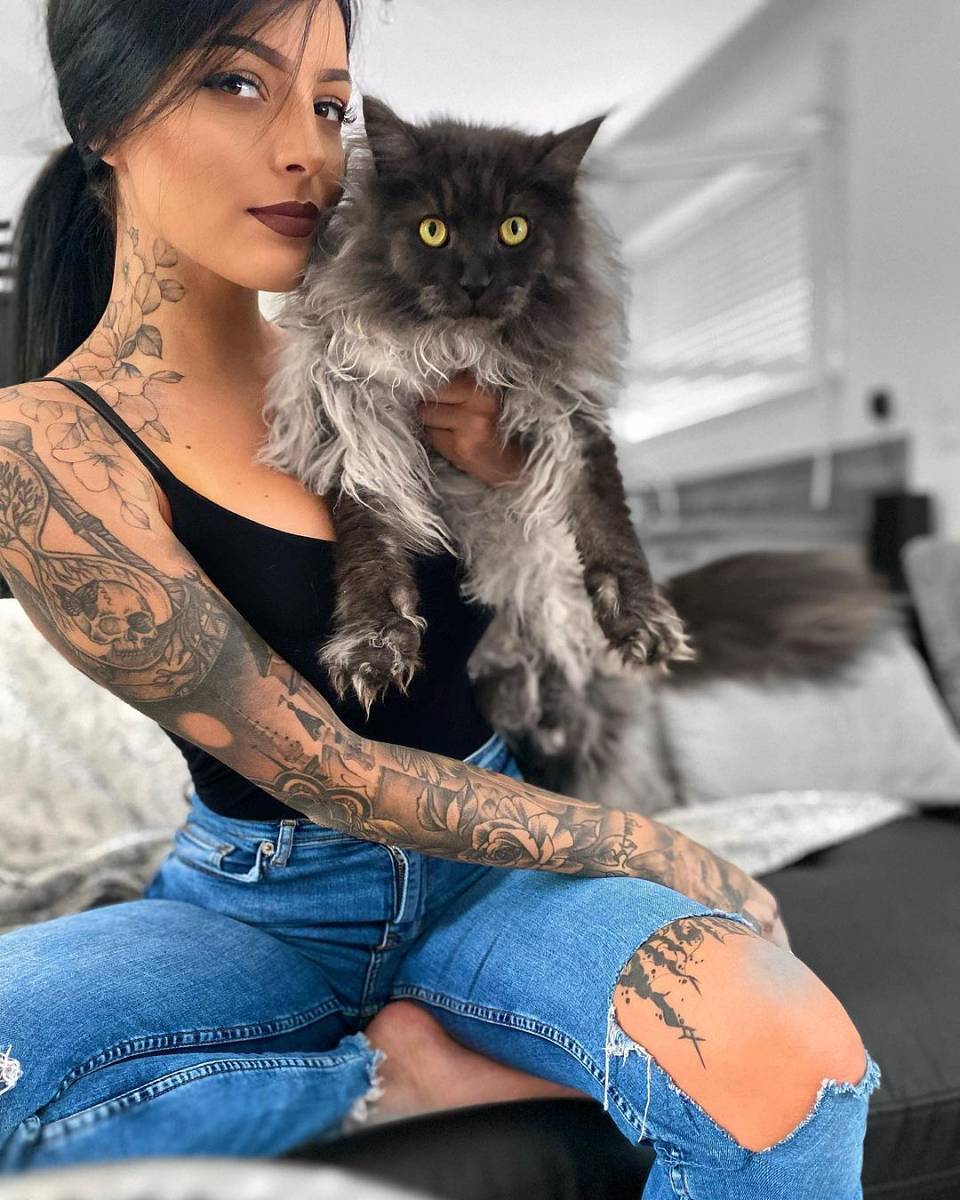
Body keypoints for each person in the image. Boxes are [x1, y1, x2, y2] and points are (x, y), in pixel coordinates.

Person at [0, 0, 881, 1192]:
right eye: (237, 85)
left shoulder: (402, 349)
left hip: (503, 874)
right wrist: (656, 849)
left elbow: (563, 626)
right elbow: (326, 769)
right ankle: (392, 1081)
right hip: (262, 900)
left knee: (796, 1062)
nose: (309, 149)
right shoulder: (43, 447)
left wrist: (516, 484)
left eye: (329, 103)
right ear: (105, 121)